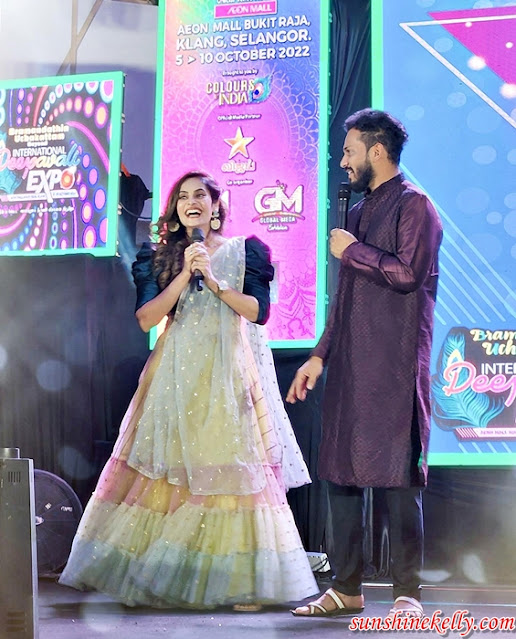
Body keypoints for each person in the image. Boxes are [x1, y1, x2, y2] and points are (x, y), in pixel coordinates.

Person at [59, 170, 318, 609]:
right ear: (176, 210)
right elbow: (146, 318)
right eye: (183, 197)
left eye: (201, 194)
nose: (192, 201)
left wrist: (215, 282)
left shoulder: (245, 251)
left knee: (229, 473)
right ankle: (163, 576)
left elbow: (258, 312)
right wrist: (186, 272)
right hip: (174, 375)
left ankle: (241, 582)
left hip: (228, 375)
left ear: (217, 206)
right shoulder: (158, 256)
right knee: (169, 473)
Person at [287, 109, 443, 619]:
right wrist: (317, 355)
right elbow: (344, 299)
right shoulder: (355, 215)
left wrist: (354, 251)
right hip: (350, 366)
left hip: (395, 368)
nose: (342, 159)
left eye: (349, 150)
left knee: (399, 483)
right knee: (342, 476)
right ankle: (346, 588)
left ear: (377, 152)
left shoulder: (415, 205)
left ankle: (406, 595)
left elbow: (407, 275)